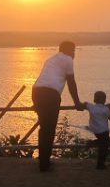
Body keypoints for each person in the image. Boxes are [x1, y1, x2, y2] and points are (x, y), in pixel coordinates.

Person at [32, 41, 84, 172]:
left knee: (44, 128)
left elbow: (43, 79)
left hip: (37, 92)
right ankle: (44, 164)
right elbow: (71, 83)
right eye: (73, 51)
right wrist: (77, 102)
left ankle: (42, 160)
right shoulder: (67, 60)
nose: (74, 54)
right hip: (51, 94)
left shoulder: (51, 59)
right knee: (49, 129)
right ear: (68, 50)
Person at [83, 91, 110, 170]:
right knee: (105, 146)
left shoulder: (91, 107)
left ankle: (91, 143)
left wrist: (84, 104)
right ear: (104, 100)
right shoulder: (106, 109)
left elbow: (84, 104)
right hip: (103, 130)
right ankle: (100, 164)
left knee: (103, 143)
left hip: (95, 130)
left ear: (95, 99)